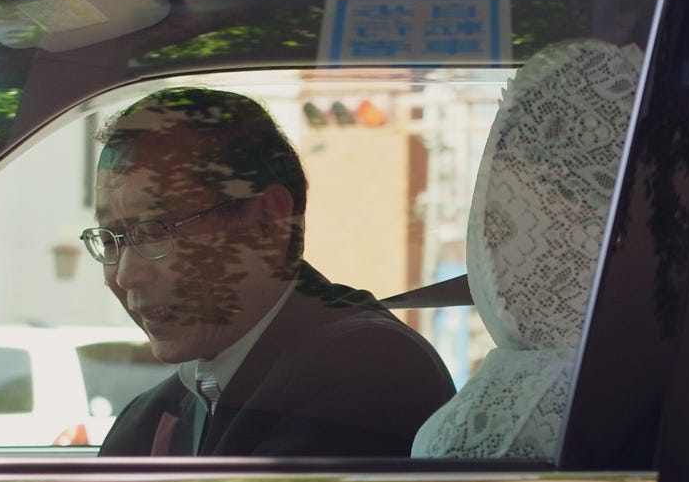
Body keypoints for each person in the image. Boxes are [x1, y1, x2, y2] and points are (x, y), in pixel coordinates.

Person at [85, 87, 454, 457]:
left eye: (154, 231)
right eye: (111, 239)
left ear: (267, 222)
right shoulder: (154, 414)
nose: (126, 275)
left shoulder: (370, 371)